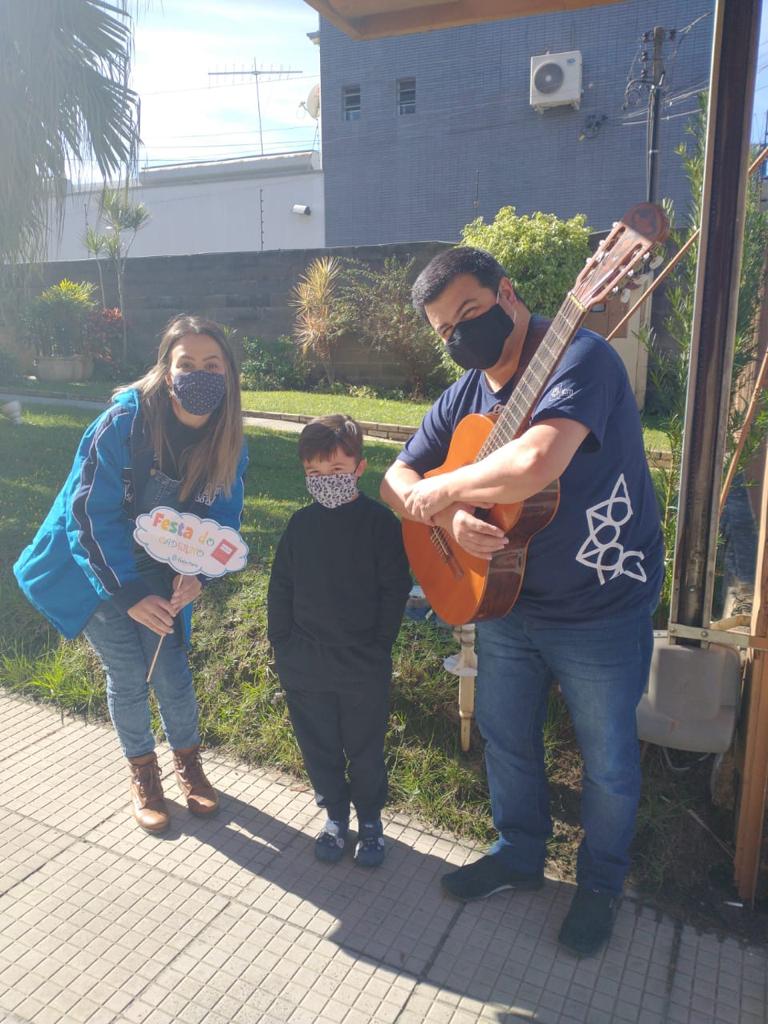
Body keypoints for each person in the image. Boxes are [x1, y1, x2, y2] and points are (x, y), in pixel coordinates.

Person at [380, 248, 663, 956]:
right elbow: (395, 479)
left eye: (470, 313)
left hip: (600, 604)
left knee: (607, 761)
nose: (459, 335)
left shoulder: (583, 359)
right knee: (506, 736)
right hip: (504, 601)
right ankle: (519, 853)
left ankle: (600, 884)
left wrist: (444, 492)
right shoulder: (466, 394)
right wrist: (448, 515)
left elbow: (536, 460)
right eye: (445, 329)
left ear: (507, 293)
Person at [14, 315, 248, 835]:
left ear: (229, 375)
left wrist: (199, 574)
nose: (200, 375)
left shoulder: (229, 439)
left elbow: (222, 519)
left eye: (213, 365)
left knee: (170, 670)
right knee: (126, 672)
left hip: (161, 564)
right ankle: (143, 772)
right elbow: (87, 516)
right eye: (187, 364)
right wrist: (128, 593)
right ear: (167, 370)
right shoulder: (121, 423)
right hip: (95, 561)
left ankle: (189, 763)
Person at [268, 415, 411, 867]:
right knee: (319, 746)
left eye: (336, 470)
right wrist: (283, 644)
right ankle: (334, 815)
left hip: (362, 664)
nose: (325, 480)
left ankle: (370, 821)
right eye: (314, 472)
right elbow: (281, 587)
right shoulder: (300, 525)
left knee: (365, 750)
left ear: (359, 468)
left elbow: (394, 588)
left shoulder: (380, 524)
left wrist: (379, 645)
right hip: (305, 664)